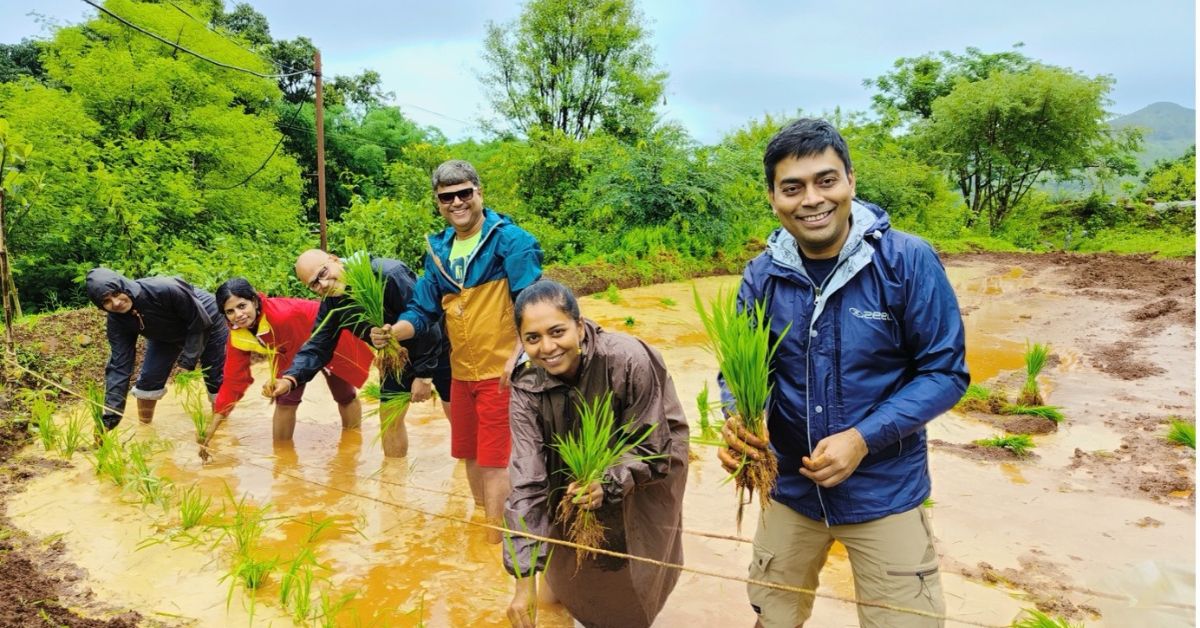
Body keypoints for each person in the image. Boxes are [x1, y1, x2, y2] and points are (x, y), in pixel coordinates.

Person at [717, 118, 969, 628]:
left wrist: (861, 438)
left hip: (885, 491)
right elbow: (738, 370)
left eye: (825, 180)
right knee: (773, 614)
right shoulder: (762, 275)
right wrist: (741, 419)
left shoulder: (906, 262)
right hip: (788, 489)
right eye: (793, 187)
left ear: (850, 180)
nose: (811, 199)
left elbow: (945, 372)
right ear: (772, 197)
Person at [371, 159, 543, 543]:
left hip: (503, 371)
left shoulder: (512, 242)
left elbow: (533, 307)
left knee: (497, 461)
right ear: (438, 202)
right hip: (462, 372)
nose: (457, 203)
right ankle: (486, 529)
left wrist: (520, 359)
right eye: (447, 197)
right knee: (469, 454)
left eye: (465, 193)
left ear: (479, 193)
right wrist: (393, 331)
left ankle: (497, 545)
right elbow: (422, 309)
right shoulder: (439, 251)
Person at [503, 280, 688, 628]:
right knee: (556, 570)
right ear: (521, 340)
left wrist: (608, 481)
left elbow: (652, 446)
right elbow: (527, 481)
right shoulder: (526, 384)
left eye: (557, 331)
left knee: (630, 560)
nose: (547, 347)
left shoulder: (626, 359)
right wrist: (522, 582)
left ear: (579, 324)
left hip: (646, 459)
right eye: (533, 338)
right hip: (570, 465)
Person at [267, 250, 452, 458]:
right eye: (314, 284)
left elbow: (430, 320)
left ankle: (466, 467)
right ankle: (393, 480)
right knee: (389, 419)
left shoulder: (388, 273)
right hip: (395, 356)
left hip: (440, 345)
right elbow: (318, 345)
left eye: (323, 273)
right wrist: (290, 379)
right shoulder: (333, 304)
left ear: (334, 259)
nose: (324, 284)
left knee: (454, 405)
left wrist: (424, 375)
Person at [211, 277, 375, 442]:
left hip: (332, 338)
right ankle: (282, 461)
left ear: (254, 301)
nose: (238, 315)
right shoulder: (238, 334)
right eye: (230, 311)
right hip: (294, 348)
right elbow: (233, 379)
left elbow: (294, 356)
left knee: (344, 395)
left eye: (241, 306)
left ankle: (352, 445)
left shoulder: (281, 316)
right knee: (285, 401)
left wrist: (281, 380)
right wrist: (211, 429)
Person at [85, 268, 227, 429]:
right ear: (101, 306)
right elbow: (119, 365)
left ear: (124, 286)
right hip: (164, 334)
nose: (116, 303)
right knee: (149, 380)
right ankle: (145, 428)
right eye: (106, 301)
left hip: (206, 321)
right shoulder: (117, 323)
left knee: (216, 379)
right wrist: (111, 415)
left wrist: (188, 361)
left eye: (116, 294)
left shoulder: (164, 288)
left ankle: (218, 430)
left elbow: (199, 321)